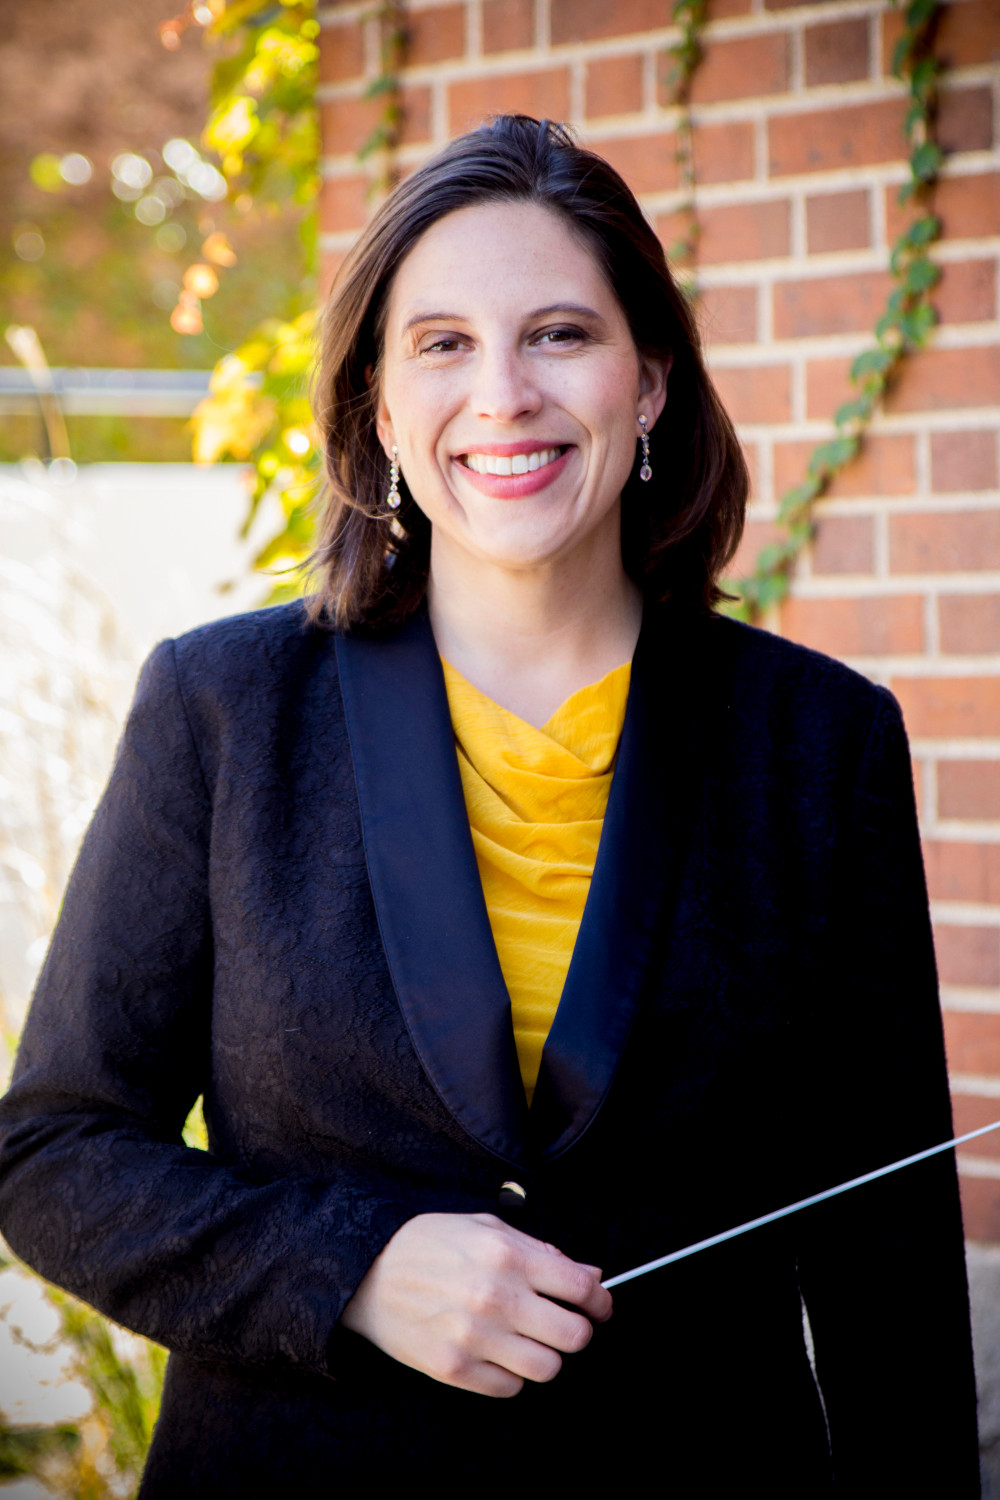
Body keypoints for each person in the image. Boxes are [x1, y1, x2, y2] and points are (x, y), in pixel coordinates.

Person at [0, 115, 980, 1494]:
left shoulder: (820, 741)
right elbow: (54, 1150)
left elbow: (889, 1259)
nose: (505, 393)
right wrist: (352, 1270)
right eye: (444, 344)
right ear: (381, 408)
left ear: (648, 385)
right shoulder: (223, 709)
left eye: (561, 334)